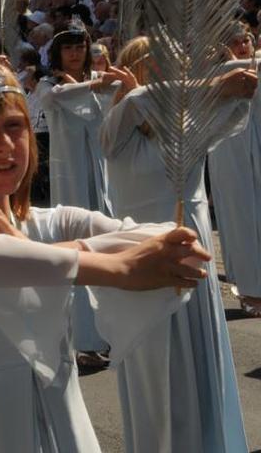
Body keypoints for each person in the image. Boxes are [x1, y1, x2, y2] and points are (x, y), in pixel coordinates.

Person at [0, 51, 211, 452]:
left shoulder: (53, 223)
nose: (5, 145)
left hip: (63, 432)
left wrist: (37, 250)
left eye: (14, 126)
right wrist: (110, 267)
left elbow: (180, 249)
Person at [103, 36, 254, 453]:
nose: (171, 73)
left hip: (196, 250)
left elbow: (234, 111)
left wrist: (238, 84)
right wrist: (214, 85)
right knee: (159, 362)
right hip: (147, 253)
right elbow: (138, 101)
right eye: (159, 65)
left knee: (200, 356)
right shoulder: (119, 121)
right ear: (136, 69)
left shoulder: (188, 125)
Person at [35, 17, 117, 366]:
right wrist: (96, 87)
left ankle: (111, 331)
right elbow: (57, 98)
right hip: (69, 175)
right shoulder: (46, 84)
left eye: (80, 46)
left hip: (101, 172)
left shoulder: (100, 81)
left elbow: (115, 96)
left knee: (108, 247)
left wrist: (103, 83)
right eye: (68, 47)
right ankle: (82, 338)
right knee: (77, 249)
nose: (74, 53)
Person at [209, 26, 261, 316]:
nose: (242, 46)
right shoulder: (216, 73)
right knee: (239, 215)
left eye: (246, 41)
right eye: (236, 42)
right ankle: (248, 288)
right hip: (229, 151)